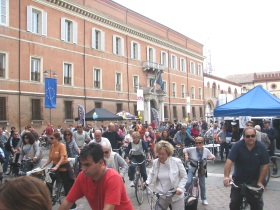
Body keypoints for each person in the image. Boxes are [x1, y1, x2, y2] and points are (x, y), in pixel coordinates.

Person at [58, 143, 133, 210]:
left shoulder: (113, 178)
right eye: (82, 164)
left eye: (87, 165)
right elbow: (68, 201)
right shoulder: (82, 176)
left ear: (100, 163)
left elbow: (109, 208)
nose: (83, 169)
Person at [223, 127, 269, 210]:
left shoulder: (261, 147)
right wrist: (226, 176)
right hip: (239, 180)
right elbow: (229, 162)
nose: (250, 138)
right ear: (243, 137)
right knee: (234, 204)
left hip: (255, 180)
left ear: (255, 136)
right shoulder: (237, 146)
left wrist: (260, 182)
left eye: (252, 136)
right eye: (248, 136)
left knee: (257, 205)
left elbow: (265, 165)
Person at [145, 140, 187, 209]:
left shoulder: (176, 162)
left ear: (168, 153)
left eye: (163, 154)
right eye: (159, 153)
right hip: (162, 195)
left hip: (175, 195)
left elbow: (184, 176)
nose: (161, 156)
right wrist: (147, 182)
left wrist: (180, 188)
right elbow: (151, 173)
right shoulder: (156, 162)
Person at [41, 132, 76, 209]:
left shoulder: (61, 146)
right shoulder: (52, 146)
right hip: (55, 167)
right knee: (48, 181)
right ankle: (50, 198)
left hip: (64, 167)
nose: (51, 139)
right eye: (50, 138)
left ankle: (70, 205)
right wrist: (43, 165)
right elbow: (50, 158)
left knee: (67, 186)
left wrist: (57, 166)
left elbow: (63, 157)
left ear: (57, 138)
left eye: (52, 138)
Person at [183, 137, 215, 205]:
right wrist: (186, 155)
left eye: (199, 143)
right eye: (196, 143)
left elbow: (212, 156)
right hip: (192, 167)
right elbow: (184, 149)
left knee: (202, 184)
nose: (198, 144)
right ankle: (184, 194)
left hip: (201, 169)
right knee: (188, 181)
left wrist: (210, 158)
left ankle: (204, 198)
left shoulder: (206, 150)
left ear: (203, 143)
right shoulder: (192, 149)